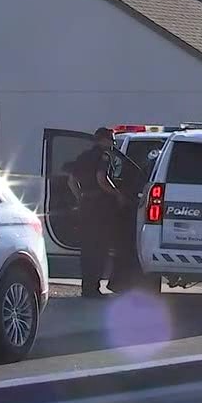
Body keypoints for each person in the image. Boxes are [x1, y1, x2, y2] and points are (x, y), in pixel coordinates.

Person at [70, 127, 135, 298]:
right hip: (101, 208)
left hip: (86, 207)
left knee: (87, 249)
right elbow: (101, 179)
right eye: (112, 140)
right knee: (99, 248)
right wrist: (117, 194)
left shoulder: (83, 156)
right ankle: (94, 288)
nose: (113, 143)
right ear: (103, 140)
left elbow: (71, 181)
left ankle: (87, 287)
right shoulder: (104, 156)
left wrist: (80, 197)